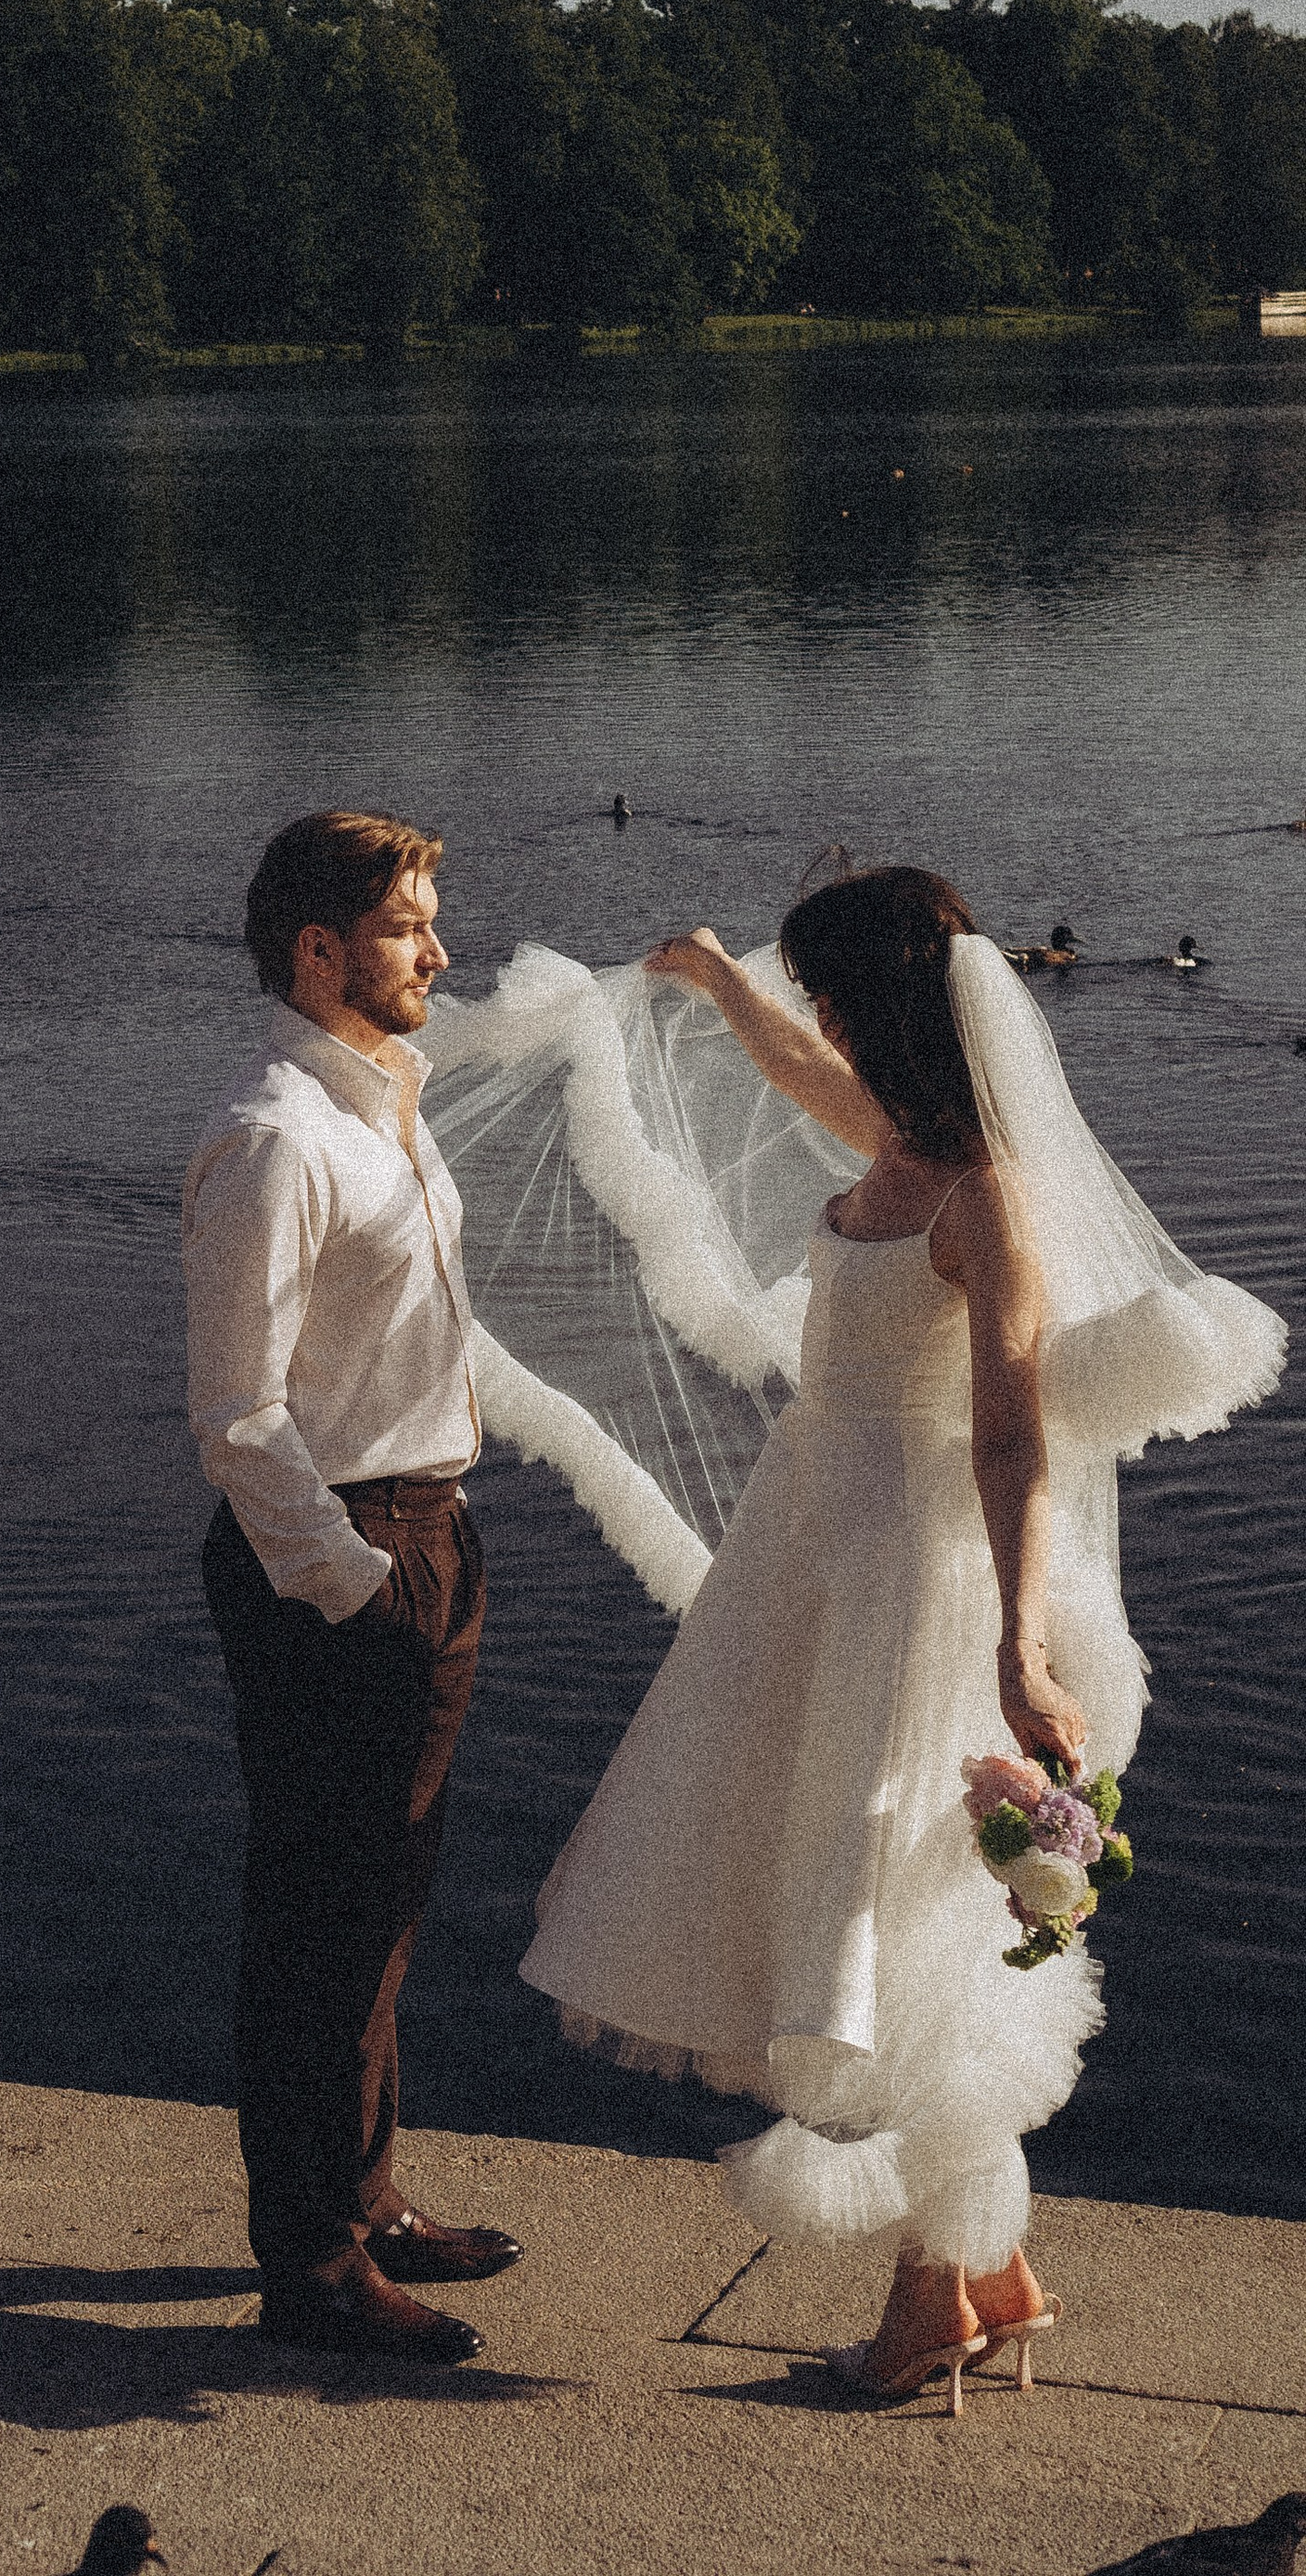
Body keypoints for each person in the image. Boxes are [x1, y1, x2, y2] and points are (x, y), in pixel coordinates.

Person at [507, 865, 1275, 2408]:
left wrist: (1019, 1645)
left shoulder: (983, 1191)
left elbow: (1012, 1435)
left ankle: (937, 2290)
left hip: (914, 1584)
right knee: (838, 1879)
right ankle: (989, 2273)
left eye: (830, 992)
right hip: (818, 1554)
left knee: (900, 1910)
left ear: (893, 1006)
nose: (821, 1019)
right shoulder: (904, 1147)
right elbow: (809, 1080)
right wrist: (722, 988)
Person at [185, 810, 522, 2365]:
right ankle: (309, 2263)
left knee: (383, 1902)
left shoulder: (388, 1106)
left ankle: (365, 2196)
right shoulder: (274, 1138)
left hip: (423, 1530)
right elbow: (240, 1417)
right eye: (406, 927)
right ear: (319, 952)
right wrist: (355, 1584)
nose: (438, 952)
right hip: (339, 1554)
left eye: (431, 921)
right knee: (319, 1915)